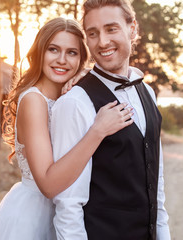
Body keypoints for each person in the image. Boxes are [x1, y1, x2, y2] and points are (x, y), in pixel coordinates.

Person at [0, 17, 134, 240]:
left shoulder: (74, 95)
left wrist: (85, 76)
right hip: (34, 218)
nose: (62, 60)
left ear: (81, 58)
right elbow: (49, 185)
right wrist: (97, 131)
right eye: (53, 49)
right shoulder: (33, 100)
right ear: (40, 52)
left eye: (72, 53)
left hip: (71, 212)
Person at [51, 1, 171, 240]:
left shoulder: (147, 92)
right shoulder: (75, 102)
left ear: (132, 29)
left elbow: (156, 181)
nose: (102, 42)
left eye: (111, 29)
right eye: (93, 33)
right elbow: (68, 205)